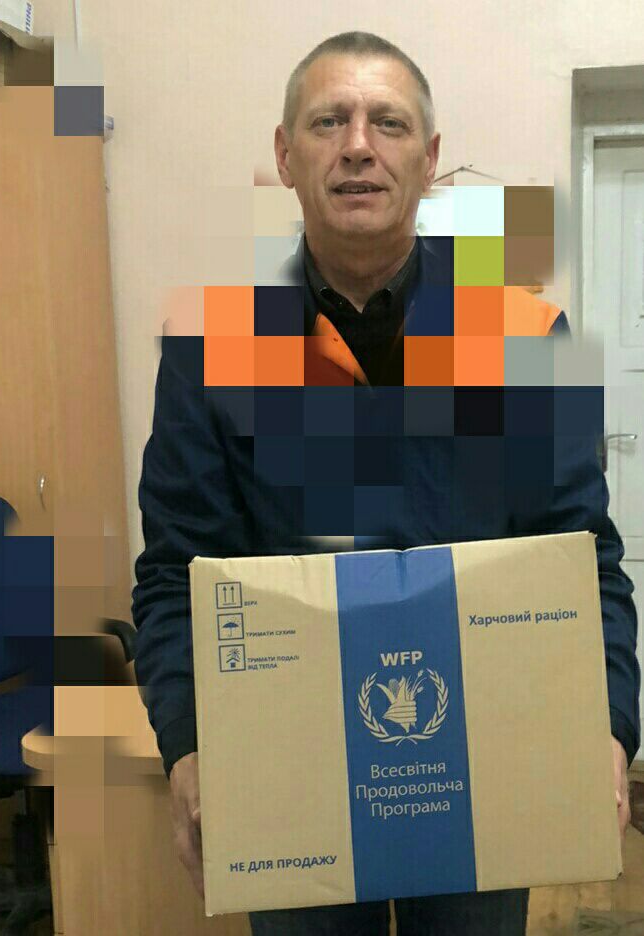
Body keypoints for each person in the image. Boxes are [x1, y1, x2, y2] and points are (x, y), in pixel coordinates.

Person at [131, 30, 640, 936]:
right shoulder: (214, 348)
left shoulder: (521, 336)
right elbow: (176, 573)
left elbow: (585, 558)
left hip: (485, 755)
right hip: (289, 768)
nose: (358, 144)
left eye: (388, 123)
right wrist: (189, 745)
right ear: (286, 155)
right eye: (329, 121)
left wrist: (606, 728)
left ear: (429, 158)